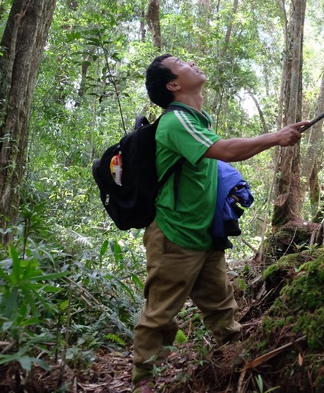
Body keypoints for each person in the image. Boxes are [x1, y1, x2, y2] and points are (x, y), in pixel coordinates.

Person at [132, 54, 309, 393]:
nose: (192, 62)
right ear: (173, 84)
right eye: (181, 62)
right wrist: (276, 137)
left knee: (220, 303)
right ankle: (145, 382)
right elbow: (224, 151)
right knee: (160, 315)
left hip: (203, 232)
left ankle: (234, 358)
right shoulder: (175, 122)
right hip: (174, 235)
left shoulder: (198, 118)